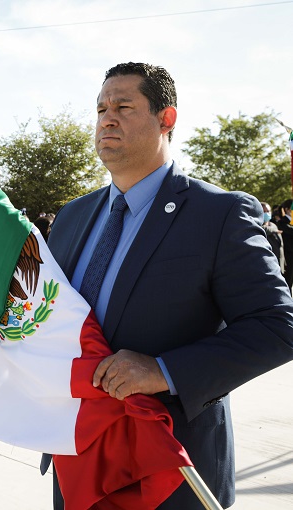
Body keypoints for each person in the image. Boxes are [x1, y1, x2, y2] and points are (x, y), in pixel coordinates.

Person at [44, 62, 293, 509]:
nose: (107, 118)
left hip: (172, 469)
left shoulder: (219, 214)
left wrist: (164, 370)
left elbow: (276, 326)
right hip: (78, 457)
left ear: (167, 118)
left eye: (123, 106)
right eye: (101, 108)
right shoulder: (72, 217)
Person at [261, 201, 284, 271]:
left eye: (268, 211)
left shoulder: (274, 225)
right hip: (267, 264)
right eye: (264, 211)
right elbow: (263, 228)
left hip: (279, 261)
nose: (266, 213)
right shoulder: (258, 226)